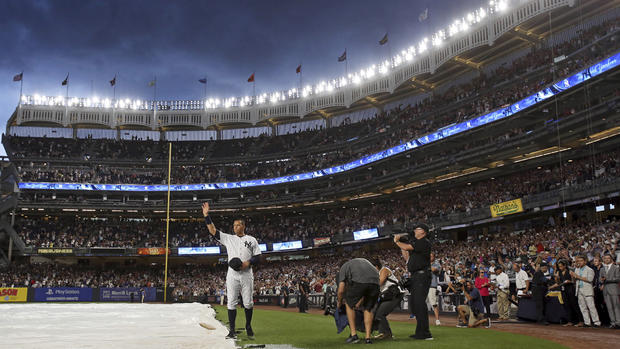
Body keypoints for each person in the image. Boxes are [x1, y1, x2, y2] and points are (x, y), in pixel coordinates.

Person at [202, 202, 262, 339]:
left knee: (248, 302)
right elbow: (213, 231)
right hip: (232, 274)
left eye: (238, 225)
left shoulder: (251, 239)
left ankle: (248, 326)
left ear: (243, 226)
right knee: (231, 302)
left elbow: (258, 257)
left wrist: (248, 262)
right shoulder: (229, 238)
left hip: (247, 274)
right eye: (234, 225)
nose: (235, 227)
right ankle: (232, 330)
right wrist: (206, 215)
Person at [394, 222, 433, 340]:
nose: (415, 229)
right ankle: (420, 332)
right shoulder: (418, 244)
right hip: (416, 276)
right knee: (416, 304)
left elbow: (406, 247)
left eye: (418, 228)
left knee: (420, 304)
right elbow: (406, 255)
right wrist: (402, 244)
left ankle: (425, 333)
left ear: (423, 232)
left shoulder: (424, 242)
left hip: (422, 275)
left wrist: (397, 241)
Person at [336, 258, 380, 344]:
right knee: (368, 308)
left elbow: (341, 290)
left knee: (349, 304)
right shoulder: (361, 261)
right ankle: (368, 338)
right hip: (376, 283)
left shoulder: (344, 267)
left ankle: (354, 335)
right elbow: (366, 285)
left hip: (361, 282)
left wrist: (339, 302)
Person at [371, 258, 404, 340]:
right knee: (377, 313)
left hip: (394, 294)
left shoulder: (384, 270)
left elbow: (379, 283)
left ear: (376, 266)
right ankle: (383, 333)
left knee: (380, 313)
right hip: (387, 295)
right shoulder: (375, 273)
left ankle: (387, 334)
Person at [571, 255, 600, 327]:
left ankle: (596, 322)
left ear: (585, 261)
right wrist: (573, 277)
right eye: (578, 261)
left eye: (581, 261)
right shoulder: (577, 269)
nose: (579, 262)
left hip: (587, 290)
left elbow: (590, 279)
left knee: (591, 307)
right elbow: (575, 281)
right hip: (579, 289)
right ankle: (587, 322)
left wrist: (577, 276)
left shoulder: (589, 269)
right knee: (582, 307)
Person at [600, 254, 620, 328]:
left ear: (611, 259)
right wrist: (601, 281)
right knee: (609, 307)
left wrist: (606, 280)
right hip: (606, 290)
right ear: (603, 260)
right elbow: (600, 279)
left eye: (608, 258)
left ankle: (618, 322)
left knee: (616, 307)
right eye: (605, 258)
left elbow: (618, 278)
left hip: (614, 289)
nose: (607, 259)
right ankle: (613, 323)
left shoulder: (616, 268)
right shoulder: (602, 269)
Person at [428, 253, 441, 326]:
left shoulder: (436, 263)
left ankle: (437, 320)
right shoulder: (426, 263)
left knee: (434, 303)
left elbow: (434, 270)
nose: (429, 257)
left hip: (432, 285)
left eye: (431, 256)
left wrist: (426, 264)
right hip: (425, 285)